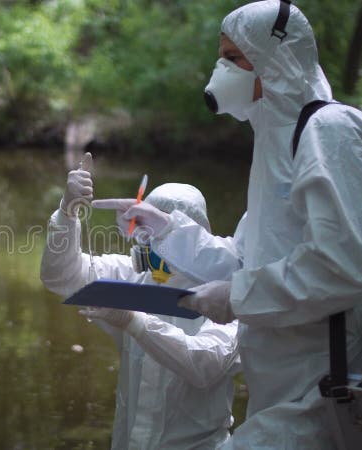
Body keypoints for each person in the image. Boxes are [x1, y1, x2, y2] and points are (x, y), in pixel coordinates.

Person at [95, 1, 362, 448]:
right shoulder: (276, 145)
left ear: (276, 59)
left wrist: (238, 297)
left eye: (233, 57)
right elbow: (246, 260)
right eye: (221, 56)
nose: (221, 69)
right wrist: (168, 229)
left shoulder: (328, 131)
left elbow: (344, 266)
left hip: (323, 392)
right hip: (283, 393)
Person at [41, 153, 241, 449]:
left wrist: (133, 322)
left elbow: (205, 363)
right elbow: (60, 277)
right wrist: (67, 213)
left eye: (157, 231)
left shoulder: (228, 295)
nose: (145, 243)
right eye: (143, 230)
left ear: (191, 235)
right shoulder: (134, 276)